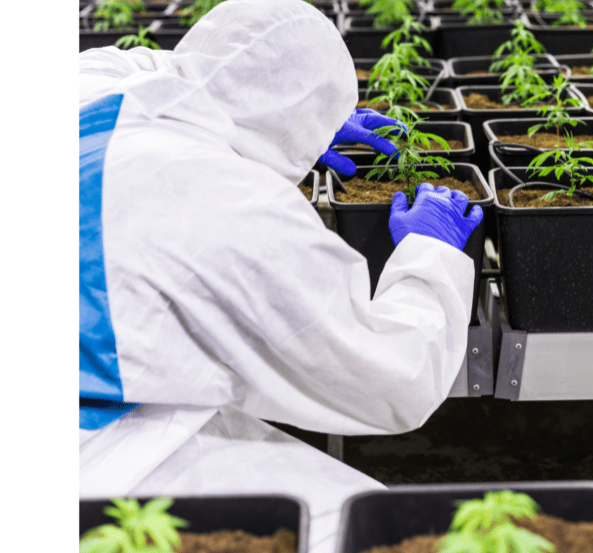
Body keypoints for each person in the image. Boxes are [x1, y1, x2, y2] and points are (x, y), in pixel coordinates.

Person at [79, 0, 483, 550]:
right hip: (86, 449)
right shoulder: (233, 209)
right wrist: (429, 255)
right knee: (363, 529)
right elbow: (391, 377)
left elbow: (187, 66)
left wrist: (297, 121)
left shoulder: (90, 86)